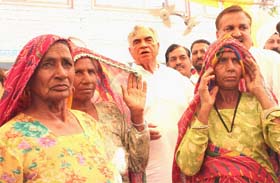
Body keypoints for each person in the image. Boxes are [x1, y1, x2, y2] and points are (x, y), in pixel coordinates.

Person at [0, 34, 122, 182]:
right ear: (28, 76)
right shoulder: (9, 139)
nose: (62, 74)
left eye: (67, 64)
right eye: (48, 64)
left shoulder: (89, 123)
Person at [173, 36, 280, 183]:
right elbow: (188, 166)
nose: (230, 67)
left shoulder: (258, 104)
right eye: (222, 60)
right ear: (210, 68)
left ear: (244, 68)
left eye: (236, 60)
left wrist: (260, 91)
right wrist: (205, 109)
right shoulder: (199, 111)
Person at [71, 46, 150, 183]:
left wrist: (137, 114)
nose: (87, 79)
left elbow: (138, 164)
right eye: (78, 72)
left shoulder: (110, 112)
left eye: (91, 72)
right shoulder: (59, 119)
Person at [127, 25, 194, 183]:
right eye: (137, 42)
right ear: (130, 51)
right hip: (148, 167)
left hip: (183, 161)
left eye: (148, 40)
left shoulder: (177, 78)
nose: (143, 45)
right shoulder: (124, 80)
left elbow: (196, 113)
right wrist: (136, 131)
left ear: (157, 46)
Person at [215, 5, 280, 101]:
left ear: (250, 31)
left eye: (243, 27)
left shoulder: (272, 60)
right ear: (218, 35)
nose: (237, 33)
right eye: (229, 28)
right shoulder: (212, 64)